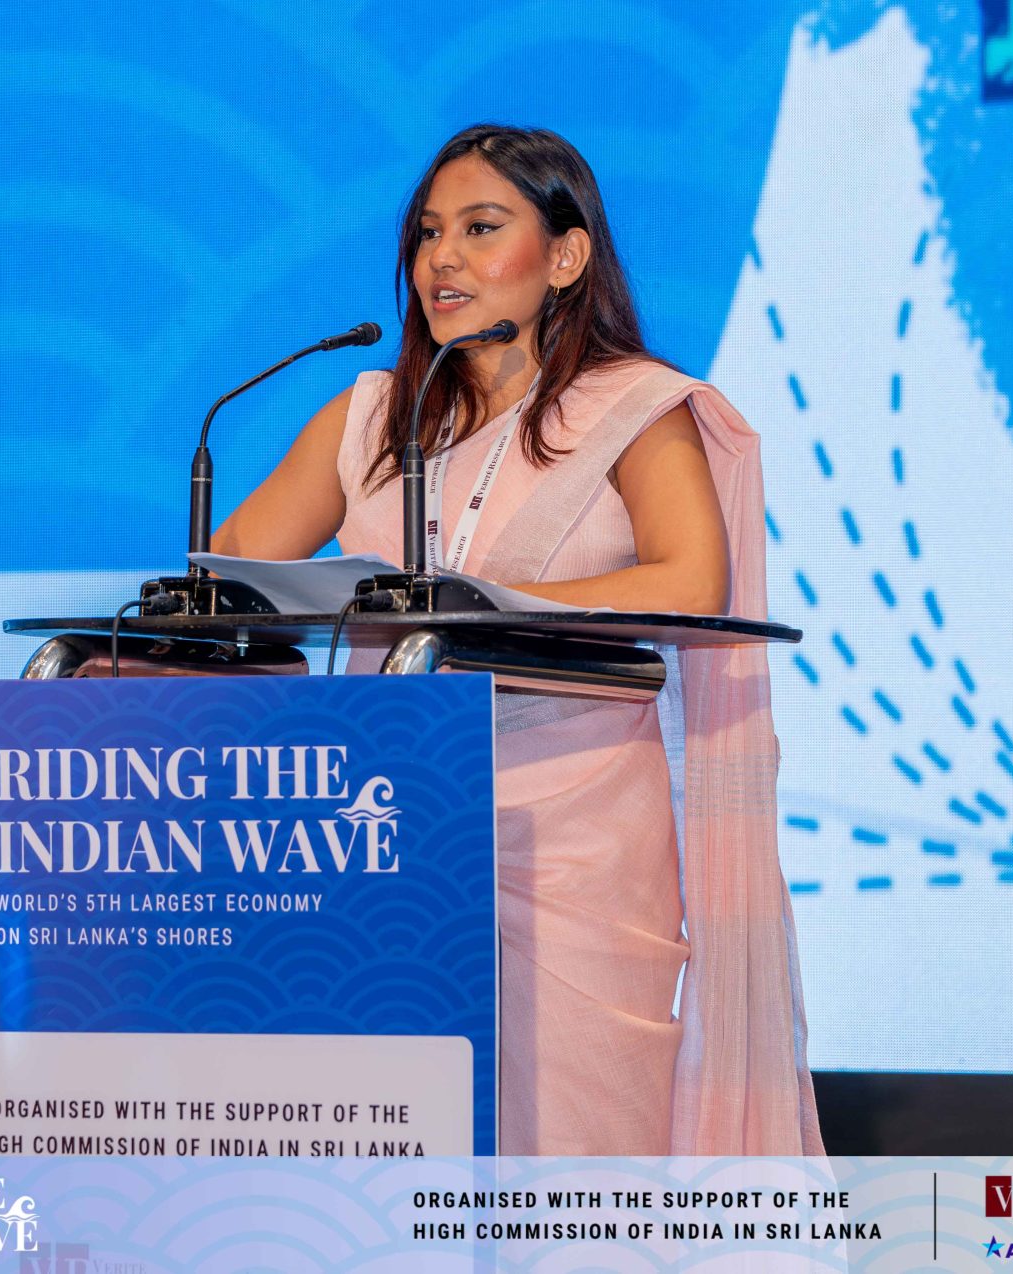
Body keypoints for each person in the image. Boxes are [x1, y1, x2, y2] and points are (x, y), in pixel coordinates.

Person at [213, 123, 823, 1155]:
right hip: (381, 828)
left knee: (572, 1172)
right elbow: (230, 569)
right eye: (427, 234)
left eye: (481, 228)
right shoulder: (371, 417)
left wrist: (476, 604)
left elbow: (692, 580)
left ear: (567, 256)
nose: (441, 259)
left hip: (575, 843)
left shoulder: (635, 408)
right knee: (393, 1160)